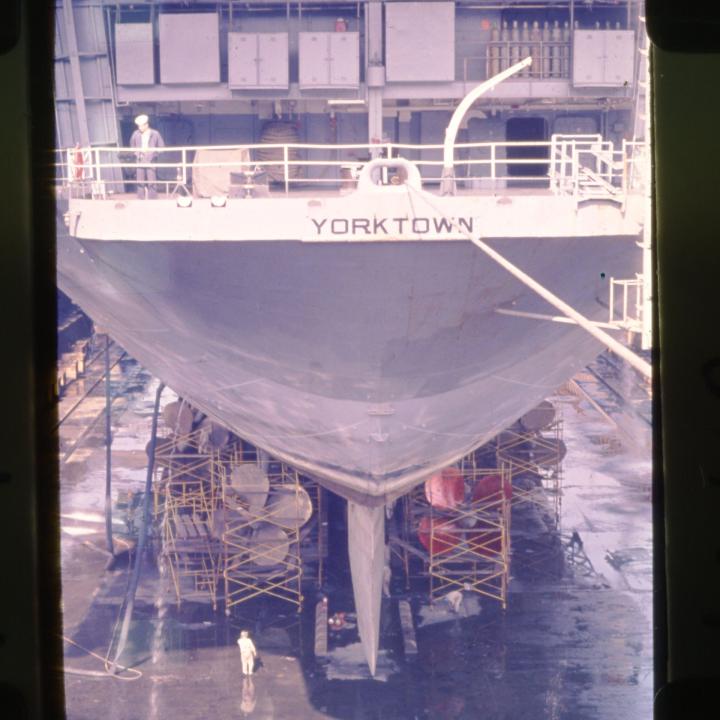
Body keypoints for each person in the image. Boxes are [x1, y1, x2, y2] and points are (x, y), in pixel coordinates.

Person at [130, 114, 164, 199]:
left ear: (146, 125)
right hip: (140, 159)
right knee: (140, 181)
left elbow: (161, 147)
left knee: (151, 181)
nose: (139, 128)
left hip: (151, 160)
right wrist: (137, 153)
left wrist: (154, 154)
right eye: (138, 126)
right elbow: (132, 146)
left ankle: (152, 198)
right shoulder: (135, 134)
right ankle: (140, 198)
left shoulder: (155, 134)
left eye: (141, 126)